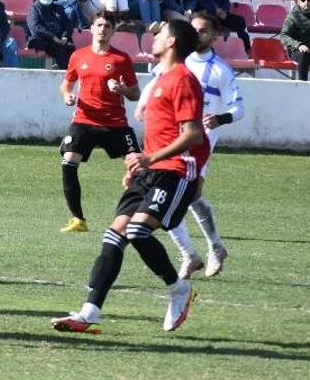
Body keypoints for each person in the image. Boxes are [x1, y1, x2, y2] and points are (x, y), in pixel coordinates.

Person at [52, 19, 207, 335]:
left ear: (173, 42)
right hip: (149, 172)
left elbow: (193, 135)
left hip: (176, 172)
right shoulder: (163, 77)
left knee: (137, 231)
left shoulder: (183, 79)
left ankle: (179, 290)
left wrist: (150, 158)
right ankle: (89, 312)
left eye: (160, 34)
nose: (154, 38)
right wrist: (140, 166)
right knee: (114, 236)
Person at [163, 14, 242, 280]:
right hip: (168, 137)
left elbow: (239, 108)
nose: (198, 35)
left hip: (199, 143)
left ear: (214, 35)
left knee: (181, 196)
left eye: (204, 31)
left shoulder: (220, 70)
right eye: (194, 30)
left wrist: (221, 118)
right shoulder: (176, 61)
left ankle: (200, 251)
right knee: (177, 197)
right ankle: (207, 249)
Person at [58, 14, 141, 233]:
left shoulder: (121, 59)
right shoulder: (78, 56)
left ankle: (139, 218)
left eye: (107, 26)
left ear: (113, 31)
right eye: (99, 25)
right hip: (84, 120)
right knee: (68, 164)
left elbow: (135, 93)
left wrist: (122, 90)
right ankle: (78, 219)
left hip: (115, 122)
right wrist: (67, 96)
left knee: (139, 169)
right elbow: (66, 84)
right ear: (92, 29)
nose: (102, 29)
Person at [28, 0, 74, 70]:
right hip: (41, 40)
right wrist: (53, 37)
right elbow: (36, 27)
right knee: (60, 49)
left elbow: (68, 23)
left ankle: (74, 75)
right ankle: (65, 74)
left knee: (71, 48)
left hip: (59, 40)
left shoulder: (58, 8)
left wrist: (65, 36)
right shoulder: (33, 9)